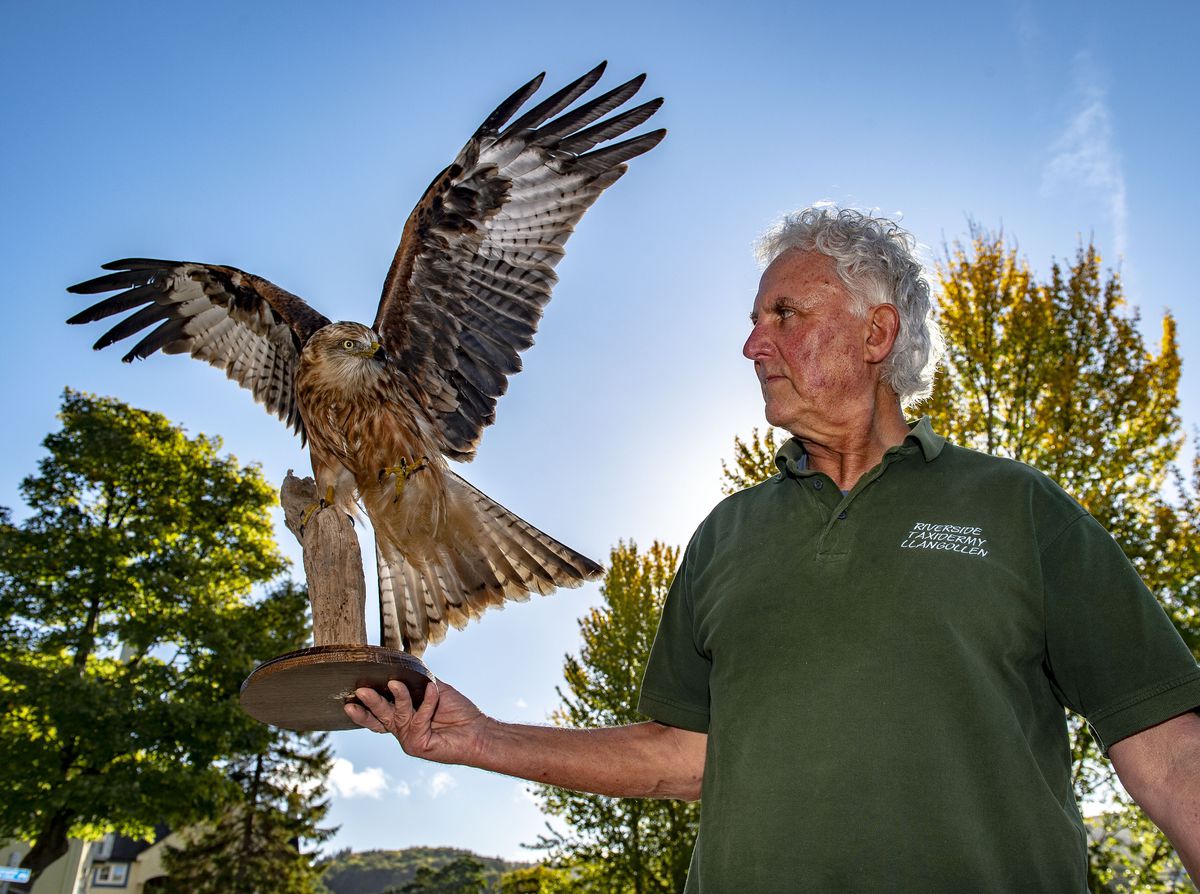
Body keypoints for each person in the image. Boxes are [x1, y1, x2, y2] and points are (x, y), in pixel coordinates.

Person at [346, 206, 1200, 891]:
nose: (753, 345)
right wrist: (484, 739)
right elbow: (685, 757)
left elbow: (1167, 752)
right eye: (754, 321)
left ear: (876, 335)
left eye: (785, 315)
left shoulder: (1018, 509)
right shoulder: (725, 537)